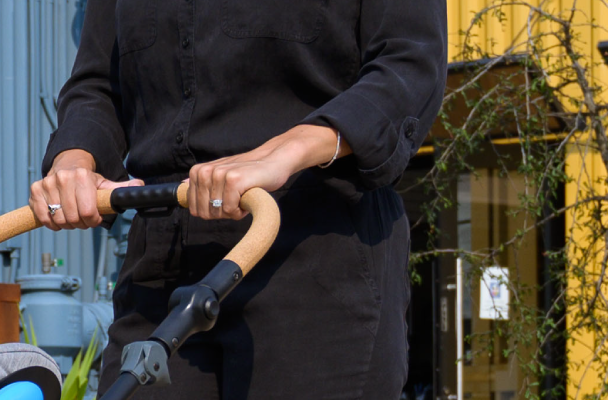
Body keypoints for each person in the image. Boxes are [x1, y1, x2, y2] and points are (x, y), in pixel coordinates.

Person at [29, 0, 445, 398]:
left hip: (315, 257)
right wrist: (74, 161)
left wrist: (289, 150)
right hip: (161, 266)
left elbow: (408, 63)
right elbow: (98, 83)